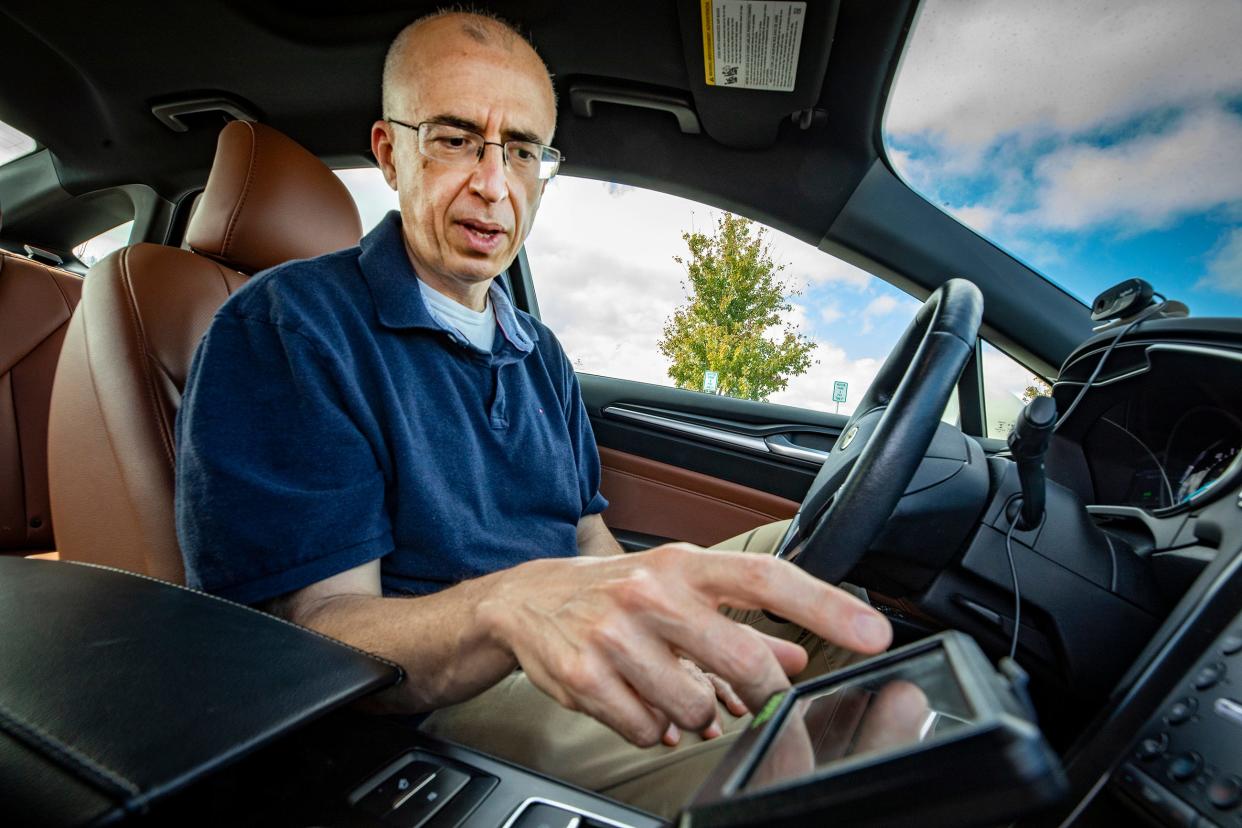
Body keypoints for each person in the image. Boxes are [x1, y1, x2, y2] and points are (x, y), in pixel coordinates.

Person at [176, 9, 894, 816]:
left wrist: (642, 615)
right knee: (771, 747)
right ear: (390, 153)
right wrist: (510, 607)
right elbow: (320, 635)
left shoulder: (539, 350)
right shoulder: (290, 327)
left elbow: (587, 537)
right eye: (454, 139)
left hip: (545, 639)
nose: (493, 183)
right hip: (430, 710)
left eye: (521, 150)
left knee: (824, 586)